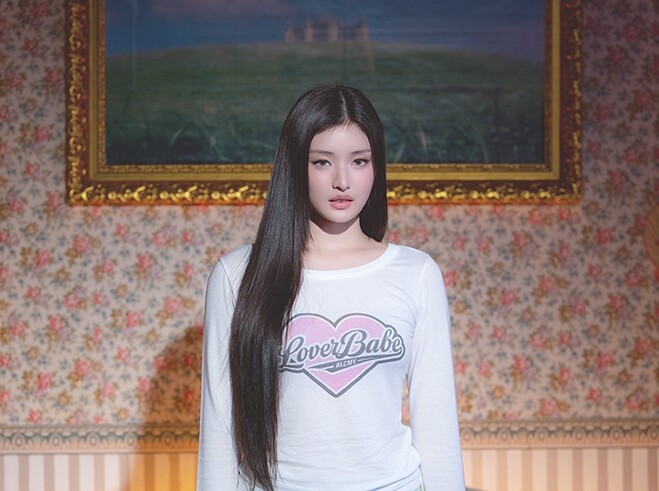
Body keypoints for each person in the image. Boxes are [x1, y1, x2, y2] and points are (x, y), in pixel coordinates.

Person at [197, 85, 465, 490]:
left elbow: (437, 420)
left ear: (376, 166)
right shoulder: (237, 275)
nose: (342, 181)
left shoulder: (416, 273)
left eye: (359, 161)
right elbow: (219, 424)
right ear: (294, 166)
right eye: (322, 162)